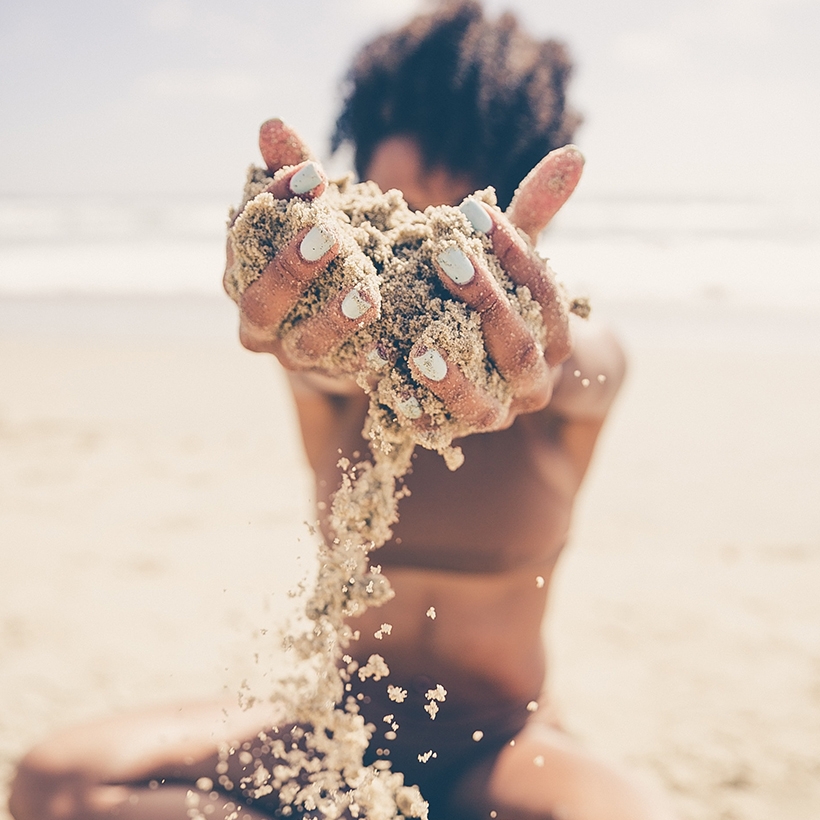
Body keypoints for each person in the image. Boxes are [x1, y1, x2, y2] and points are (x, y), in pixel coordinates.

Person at [8, 3, 676, 819]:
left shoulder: (568, 354)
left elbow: (585, 370)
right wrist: (318, 349)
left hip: (499, 744)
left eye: (456, 236)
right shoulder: (334, 348)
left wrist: (538, 357)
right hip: (333, 734)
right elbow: (314, 371)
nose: (427, 268)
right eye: (403, 232)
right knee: (56, 781)